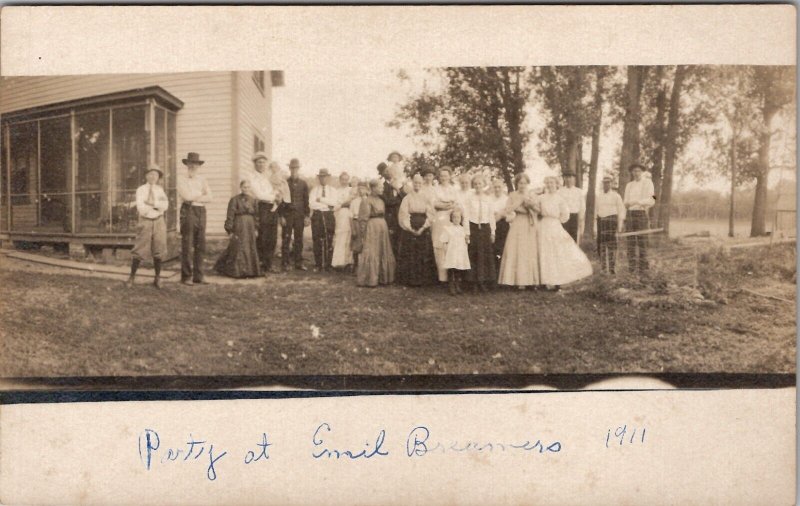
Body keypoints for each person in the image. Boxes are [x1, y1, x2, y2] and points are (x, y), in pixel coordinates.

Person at [537, 176, 593, 290]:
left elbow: (565, 214)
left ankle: (557, 280)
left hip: (554, 224)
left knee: (557, 251)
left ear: (556, 184)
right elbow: (536, 209)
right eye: (547, 183)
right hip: (543, 225)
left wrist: (557, 220)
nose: (549, 185)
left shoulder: (560, 198)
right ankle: (543, 281)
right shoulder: (541, 198)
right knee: (544, 251)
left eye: (552, 183)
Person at [127, 165, 169, 289]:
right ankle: (132, 277)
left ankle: (157, 278)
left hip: (159, 221)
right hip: (145, 220)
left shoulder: (160, 190)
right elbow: (141, 207)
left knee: (159, 248)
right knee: (140, 248)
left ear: (158, 177)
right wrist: (156, 206)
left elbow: (165, 206)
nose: (153, 177)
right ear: (146, 176)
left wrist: (152, 203)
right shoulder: (141, 190)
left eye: (155, 175)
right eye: (150, 174)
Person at [498, 173, 541, 289]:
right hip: (518, 223)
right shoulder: (512, 195)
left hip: (529, 223)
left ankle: (531, 281)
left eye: (524, 183)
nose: (522, 185)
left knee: (529, 251)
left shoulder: (532, 195)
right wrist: (520, 203)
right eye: (520, 183)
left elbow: (538, 210)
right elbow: (508, 209)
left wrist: (530, 205)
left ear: (528, 184)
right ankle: (517, 281)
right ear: (516, 184)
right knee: (517, 250)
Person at [214, 180, 261, 278]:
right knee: (238, 246)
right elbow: (230, 215)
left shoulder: (254, 200)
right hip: (239, 225)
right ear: (241, 188)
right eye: (244, 187)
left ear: (250, 188)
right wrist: (229, 229)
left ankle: (250, 271)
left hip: (250, 226)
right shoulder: (235, 199)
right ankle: (237, 271)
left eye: (248, 187)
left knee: (249, 246)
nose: (246, 189)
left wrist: (256, 228)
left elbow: (256, 216)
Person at [177, 152, 212, 285]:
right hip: (188, 210)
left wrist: (196, 196)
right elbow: (187, 196)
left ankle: (199, 276)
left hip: (201, 211)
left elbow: (210, 197)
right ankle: (186, 276)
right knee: (187, 243)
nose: (193, 166)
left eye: (196, 164)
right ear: (187, 164)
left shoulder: (203, 179)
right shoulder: (181, 178)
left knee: (200, 244)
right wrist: (200, 194)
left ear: (199, 165)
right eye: (191, 163)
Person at [396, 174, 437, 286]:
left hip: (423, 228)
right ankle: (410, 280)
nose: (417, 185)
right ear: (412, 183)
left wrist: (423, 228)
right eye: (415, 183)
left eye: (419, 183)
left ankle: (423, 280)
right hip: (410, 228)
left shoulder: (426, 197)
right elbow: (403, 214)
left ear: (422, 184)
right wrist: (410, 229)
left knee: (423, 252)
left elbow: (431, 214)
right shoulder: (407, 198)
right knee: (410, 253)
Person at [356, 179, 396, 287]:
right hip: (372, 228)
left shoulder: (381, 200)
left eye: (382, 187)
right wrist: (363, 234)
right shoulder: (366, 201)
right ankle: (370, 279)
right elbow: (363, 219)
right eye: (380, 187)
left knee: (382, 251)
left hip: (382, 227)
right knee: (372, 251)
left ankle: (383, 277)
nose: (382, 189)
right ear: (373, 188)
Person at [463, 174, 496, 292]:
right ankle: (473, 283)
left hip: (485, 228)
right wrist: (467, 232)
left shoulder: (488, 199)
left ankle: (483, 281)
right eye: (475, 184)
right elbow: (466, 216)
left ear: (483, 185)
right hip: (473, 227)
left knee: (484, 255)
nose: (478, 186)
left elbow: (491, 215)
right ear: (473, 185)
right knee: (473, 254)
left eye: (480, 184)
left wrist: (493, 232)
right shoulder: (469, 198)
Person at [249, 151, 281, 273]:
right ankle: (260, 264)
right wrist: (273, 196)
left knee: (272, 237)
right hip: (261, 208)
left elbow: (274, 190)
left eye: (263, 162)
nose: (261, 165)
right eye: (259, 162)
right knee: (262, 236)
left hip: (272, 208)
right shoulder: (252, 177)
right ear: (255, 164)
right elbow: (259, 194)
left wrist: (276, 196)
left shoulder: (267, 177)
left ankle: (269, 264)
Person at [623, 163, 656, 273]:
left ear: (642, 172)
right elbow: (625, 202)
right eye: (634, 171)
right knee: (630, 242)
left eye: (638, 171)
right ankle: (631, 269)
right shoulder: (629, 185)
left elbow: (653, 199)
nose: (636, 173)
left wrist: (638, 202)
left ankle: (643, 270)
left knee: (642, 242)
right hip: (630, 215)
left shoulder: (648, 183)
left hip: (641, 214)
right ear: (631, 173)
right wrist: (627, 206)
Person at [280, 158, 310, 271]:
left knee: (299, 239)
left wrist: (307, 216)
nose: (294, 170)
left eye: (296, 168)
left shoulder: (303, 184)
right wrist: (281, 216)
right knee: (286, 238)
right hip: (287, 215)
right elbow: (281, 201)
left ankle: (298, 263)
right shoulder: (285, 183)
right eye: (292, 168)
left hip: (299, 215)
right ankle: (285, 263)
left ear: (299, 169)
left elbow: (306, 201)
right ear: (289, 168)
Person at [431, 166, 460, 283]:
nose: (444, 178)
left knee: (451, 245)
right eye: (442, 176)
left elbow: (457, 203)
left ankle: (452, 277)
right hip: (439, 218)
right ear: (439, 177)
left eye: (446, 175)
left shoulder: (453, 189)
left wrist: (446, 204)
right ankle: (442, 277)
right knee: (439, 246)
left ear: (449, 176)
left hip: (452, 218)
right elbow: (434, 203)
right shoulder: (435, 189)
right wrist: (446, 205)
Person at [596, 175, 626, 274]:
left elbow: (621, 210)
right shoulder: (599, 195)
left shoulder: (616, 196)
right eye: (604, 182)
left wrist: (619, 225)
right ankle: (604, 268)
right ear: (602, 184)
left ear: (611, 184)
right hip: (601, 221)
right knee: (602, 245)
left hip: (612, 221)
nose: (606, 184)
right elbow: (596, 210)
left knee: (612, 245)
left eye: (608, 182)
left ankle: (612, 268)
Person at [309, 168, 337, 272]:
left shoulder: (333, 190)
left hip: (329, 215)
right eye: (321, 177)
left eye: (325, 177)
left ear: (328, 178)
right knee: (317, 239)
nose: (323, 179)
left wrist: (320, 199)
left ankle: (328, 264)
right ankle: (318, 264)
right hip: (317, 215)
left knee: (329, 238)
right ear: (319, 178)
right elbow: (311, 204)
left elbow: (334, 203)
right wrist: (326, 204)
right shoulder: (314, 190)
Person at [440, 206, 471, 295]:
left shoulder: (463, 229)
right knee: (451, 269)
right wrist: (446, 253)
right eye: (454, 217)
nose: (456, 219)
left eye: (458, 217)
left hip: (460, 253)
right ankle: (451, 286)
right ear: (451, 218)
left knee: (458, 269)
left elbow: (467, 242)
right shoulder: (448, 229)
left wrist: (467, 239)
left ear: (461, 219)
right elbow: (444, 241)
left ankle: (457, 285)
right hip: (451, 252)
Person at [331, 172, 355, 270]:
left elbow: (353, 202)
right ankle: (338, 262)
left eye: (346, 179)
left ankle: (349, 261)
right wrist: (343, 204)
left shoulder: (351, 190)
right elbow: (335, 205)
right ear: (340, 180)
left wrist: (347, 203)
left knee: (349, 237)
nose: (344, 181)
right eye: (343, 179)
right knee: (340, 236)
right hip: (340, 215)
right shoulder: (336, 191)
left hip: (350, 214)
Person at [381, 170, 404, 256]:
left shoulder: (399, 186)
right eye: (389, 172)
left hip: (399, 217)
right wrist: (398, 200)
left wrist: (397, 189)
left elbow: (405, 198)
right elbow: (388, 201)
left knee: (399, 241)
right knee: (390, 241)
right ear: (385, 175)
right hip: (390, 218)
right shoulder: (383, 186)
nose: (392, 174)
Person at [558, 171, 584, 243]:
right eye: (566, 177)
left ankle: (573, 253)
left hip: (574, 217)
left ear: (574, 179)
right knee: (563, 236)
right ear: (564, 179)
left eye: (570, 177)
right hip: (562, 217)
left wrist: (580, 219)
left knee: (573, 237)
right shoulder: (560, 191)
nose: (568, 180)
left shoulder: (579, 192)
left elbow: (582, 207)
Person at [490, 177, 510, 271]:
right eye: (495, 187)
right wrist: (501, 213)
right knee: (492, 251)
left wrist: (501, 214)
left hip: (503, 226)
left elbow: (509, 214)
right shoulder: (489, 199)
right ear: (492, 188)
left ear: (502, 187)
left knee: (503, 251)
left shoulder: (507, 199)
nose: (497, 189)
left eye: (499, 187)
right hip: (491, 226)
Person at [350, 180, 370, 272]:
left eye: (363, 189)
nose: (361, 191)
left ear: (367, 190)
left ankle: (366, 265)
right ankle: (356, 264)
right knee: (356, 245)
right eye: (360, 189)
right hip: (356, 222)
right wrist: (353, 229)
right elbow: (350, 216)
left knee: (366, 244)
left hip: (366, 223)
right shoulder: (354, 201)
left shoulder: (369, 201)